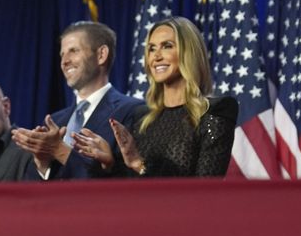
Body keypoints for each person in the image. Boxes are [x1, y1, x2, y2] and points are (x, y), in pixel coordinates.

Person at [74, 16, 237, 177]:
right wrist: (109, 162)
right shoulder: (142, 117)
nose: (156, 57)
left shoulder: (216, 111)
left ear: (189, 52)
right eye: (151, 48)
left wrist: (139, 164)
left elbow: (205, 189)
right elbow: (130, 187)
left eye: (167, 46)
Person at [12, 21, 142, 179]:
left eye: (73, 51)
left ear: (101, 54)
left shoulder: (134, 111)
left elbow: (125, 180)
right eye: (62, 54)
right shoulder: (55, 121)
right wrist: (43, 164)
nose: (64, 61)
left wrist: (59, 150)